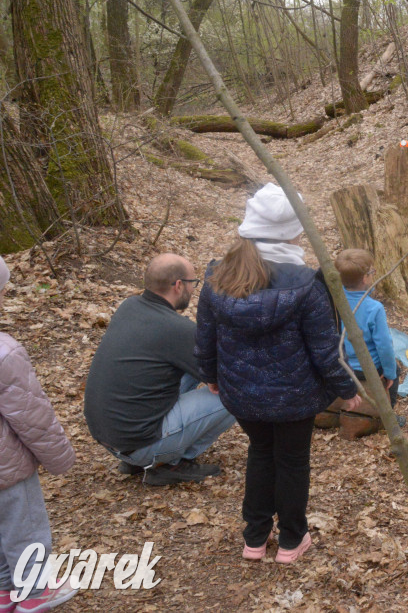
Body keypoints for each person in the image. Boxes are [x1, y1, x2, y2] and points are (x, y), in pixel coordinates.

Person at [194, 183, 362, 564]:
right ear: (293, 231)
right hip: (293, 398)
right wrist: (347, 387)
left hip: (242, 395)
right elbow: (325, 350)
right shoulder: (307, 285)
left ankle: (254, 539)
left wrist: (210, 374)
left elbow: (204, 337)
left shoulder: (219, 277)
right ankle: (291, 540)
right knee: (291, 461)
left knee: (261, 452)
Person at [84, 254, 234, 487]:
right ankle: (170, 463)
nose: (193, 290)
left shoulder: (130, 306)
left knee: (189, 367)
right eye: (193, 284)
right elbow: (227, 375)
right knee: (236, 394)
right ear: (178, 286)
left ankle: (142, 459)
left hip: (112, 437)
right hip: (140, 444)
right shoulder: (175, 328)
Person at [0, 256, 78, 611]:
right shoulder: (5, 352)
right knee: (24, 530)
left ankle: (5, 590)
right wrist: (60, 458)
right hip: (8, 468)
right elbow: (32, 416)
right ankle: (34, 594)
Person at [314, 249, 403, 429]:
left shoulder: (332, 299)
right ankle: (388, 417)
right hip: (364, 368)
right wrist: (390, 372)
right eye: (372, 272)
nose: (373, 274)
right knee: (396, 371)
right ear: (365, 278)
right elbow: (384, 345)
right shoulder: (374, 308)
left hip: (339, 364)